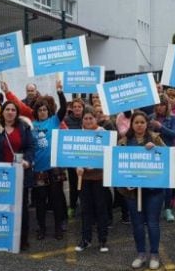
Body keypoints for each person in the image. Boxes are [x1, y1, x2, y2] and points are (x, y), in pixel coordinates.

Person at [0, 101, 36, 251]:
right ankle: (1, 237)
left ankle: (22, 239)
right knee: (2, 208)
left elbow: (31, 147)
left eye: (13, 110)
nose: (10, 112)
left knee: (21, 208)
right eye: (7, 109)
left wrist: (28, 161)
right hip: (1, 177)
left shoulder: (24, 128)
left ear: (17, 113)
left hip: (20, 175)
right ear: (2, 112)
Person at [117, 110, 166, 270]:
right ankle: (140, 254)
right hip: (132, 191)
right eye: (136, 122)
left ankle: (154, 254)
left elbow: (167, 158)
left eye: (142, 122)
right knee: (137, 224)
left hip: (154, 191)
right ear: (132, 124)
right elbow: (118, 165)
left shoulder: (155, 138)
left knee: (152, 223)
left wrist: (157, 149)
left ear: (147, 124)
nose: (139, 125)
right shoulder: (124, 142)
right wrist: (124, 183)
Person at [23, 80, 68, 241]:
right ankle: (41, 228)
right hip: (38, 169)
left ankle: (58, 228)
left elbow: (64, 108)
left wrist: (60, 92)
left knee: (56, 200)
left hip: (54, 167)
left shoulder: (54, 121)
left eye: (44, 109)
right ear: (36, 112)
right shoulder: (31, 125)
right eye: (39, 110)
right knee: (40, 201)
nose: (42, 112)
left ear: (48, 111)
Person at [75, 107, 111, 253]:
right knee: (86, 209)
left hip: (99, 177)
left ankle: (102, 240)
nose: (88, 121)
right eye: (85, 118)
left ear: (96, 119)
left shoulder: (103, 134)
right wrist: (77, 166)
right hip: (84, 178)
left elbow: (108, 155)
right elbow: (73, 154)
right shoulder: (78, 135)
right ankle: (86, 239)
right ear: (82, 120)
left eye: (91, 118)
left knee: (100, 208)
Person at [149, 96, 175, 223]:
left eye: (162, 104)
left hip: (168, 152)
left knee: (167, 183)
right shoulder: (151, 117)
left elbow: (174, 134)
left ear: (167, 106)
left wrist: (160, 127)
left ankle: (167, 209)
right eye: (158, 104)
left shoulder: (173, 118)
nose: (160, 107)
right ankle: (154, 208)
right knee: (155, 181)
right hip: (154, 153)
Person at [64, 98, 86, 217]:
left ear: (83, 108)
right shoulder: (66, 120)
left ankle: (84, 206)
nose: (77, 109)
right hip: (72, 157)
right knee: (73, 184)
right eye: (75, 106)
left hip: (85, 156)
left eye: (79, 107)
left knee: (84, 184)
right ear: (72, 108)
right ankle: (72, 206)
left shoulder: (86, 119)